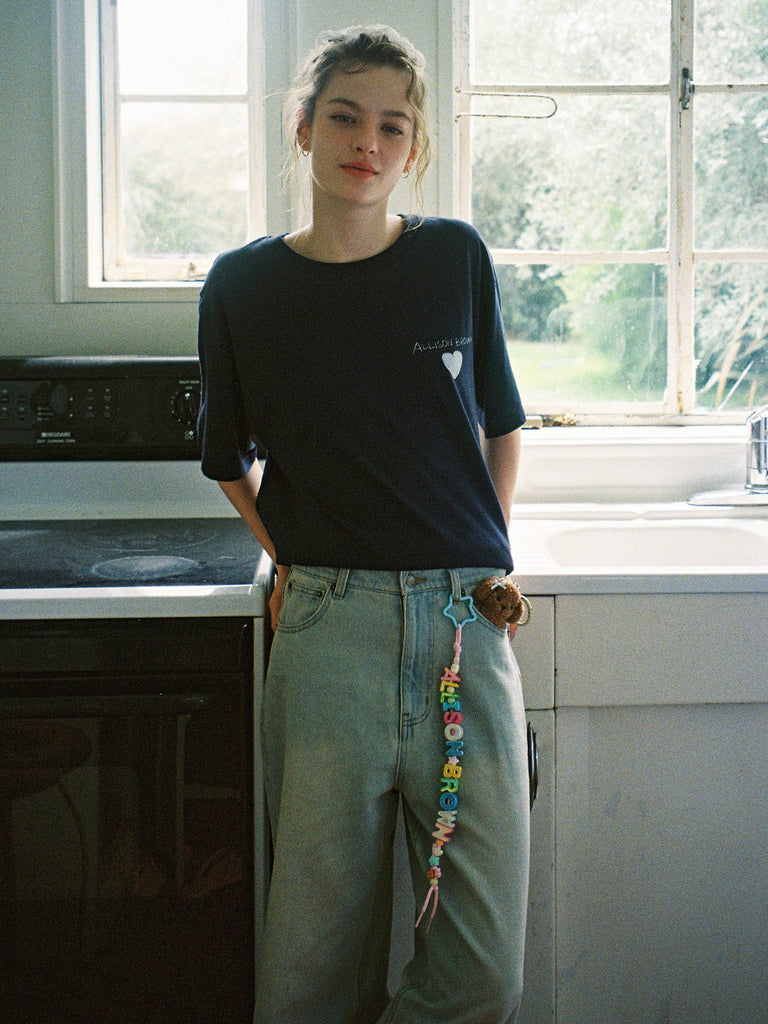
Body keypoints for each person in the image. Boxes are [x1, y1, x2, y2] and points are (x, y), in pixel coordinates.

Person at [197, 24, 530, 1024]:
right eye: (344, 116)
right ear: (303, 128)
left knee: (482, 973)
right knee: (309, 969)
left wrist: (487, 555)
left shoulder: (454, 257)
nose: (367, 142)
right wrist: (291, 560)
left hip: (464, 633)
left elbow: (502, 424)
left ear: (414, 148)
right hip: (327, 634)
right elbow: (228, 461)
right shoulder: (242, 286)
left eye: (392, 126)